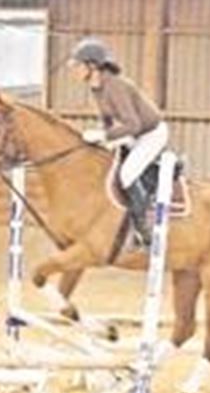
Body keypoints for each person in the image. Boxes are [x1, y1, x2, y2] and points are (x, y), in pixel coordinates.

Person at [68, 37, 168, 247]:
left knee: (126, 174)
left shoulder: (115, 85)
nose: (74, 70)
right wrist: (103, 136)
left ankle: (143, 231)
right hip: (134, 133)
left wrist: (105, 136)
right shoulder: (96, 87)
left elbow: (133, 124)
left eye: (78, 65)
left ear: (92, 66)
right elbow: (107, 119)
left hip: (150, 134)